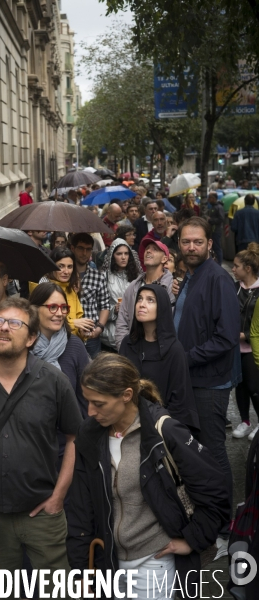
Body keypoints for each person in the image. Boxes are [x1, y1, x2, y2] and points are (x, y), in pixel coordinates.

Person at [0, 297, 82, 598]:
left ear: (31, 337)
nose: (3, 328)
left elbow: (75, 439)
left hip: (43, 513)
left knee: (56, 593)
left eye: (14, 323)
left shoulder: (54, 382)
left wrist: (58, 497)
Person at [66, 354, 229, 599]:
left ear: (126, 395)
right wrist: (81, 572)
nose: (90, 412)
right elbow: (80, 506)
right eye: (87, 401)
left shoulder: (164, 431)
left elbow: (217, 489)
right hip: (108, 563)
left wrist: (193, 538)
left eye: (98, 404)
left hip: (155, 562)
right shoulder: (89, 435)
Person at [172, 216, 240, 556]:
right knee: (199, 450)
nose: (192, 247)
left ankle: (226, 525)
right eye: (186, 242)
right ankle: (207, 513)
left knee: (214, 452)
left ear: (210, 244)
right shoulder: (191, 275)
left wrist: (184, 358)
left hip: (209, 384)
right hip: (191, 380)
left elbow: (227, 338)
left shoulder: (218, 279)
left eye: (198, 242)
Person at [119, 285, 199, 433]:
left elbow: (179, 400)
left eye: (150, 300)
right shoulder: (128, 343)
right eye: (140, 299)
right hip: (127, 425)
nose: (142, 304)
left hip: (159, 427)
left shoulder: (174, 349)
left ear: (161, 308)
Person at [29, 282, 90, 420]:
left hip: (68, 434)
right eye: (53, 307)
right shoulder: (24, 345)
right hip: (30, 433)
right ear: (35, 308)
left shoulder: (74, 345)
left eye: (64, 308)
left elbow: (85, 397)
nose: (59, 313)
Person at [115, 239, 174, 349]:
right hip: (133, 350)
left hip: (160, 352)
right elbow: (122, 319)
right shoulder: (133, 286)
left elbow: (172, 323)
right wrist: (124, 349)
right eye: (147, 249)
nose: (149, 251)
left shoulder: (172, 287)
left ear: (164, 258)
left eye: (155, 249)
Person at [29, 247, 94, 338]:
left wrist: (82, 332)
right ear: (51, 266)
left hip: (72, 344)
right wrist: (73, 323)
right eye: (61, 266)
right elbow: (39, 321)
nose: (66, 271)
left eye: (70, 267)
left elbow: (78, 320)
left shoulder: (72, 288)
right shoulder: (42, 287)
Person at [231, 247, 259, 441]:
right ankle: (245, 422)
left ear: (248, 268)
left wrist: (246, 335)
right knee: (239, 386)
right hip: (235, 347)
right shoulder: (234, 287)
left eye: (236, 266)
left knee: (254, 387)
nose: (233, 269)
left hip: (252, 347)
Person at [70, 233, 111, 358]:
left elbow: (105, 304)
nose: (84, 253)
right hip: (69, 331)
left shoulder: (97, 276)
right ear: (73, 248)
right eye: (81, 248)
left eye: (88, 249)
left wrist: (99, 328)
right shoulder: (65, 274)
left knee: (93, 371)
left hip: (90, 333)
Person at [99, 239, 139, 350]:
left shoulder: (136, 276)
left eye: (126, 253)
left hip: (132, 333)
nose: (123, 257)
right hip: (110, 335)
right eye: (119, 254)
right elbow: (98, 307)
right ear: (112, 255)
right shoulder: (104, 277)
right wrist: (114, 310)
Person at [207, 191, 225, 265]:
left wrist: (210, 220)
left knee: (217, 248)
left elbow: (221, 219)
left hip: (216, 230)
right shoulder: (213, 207)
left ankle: (219, 263)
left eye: (210, 198)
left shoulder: (218, 207)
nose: (208, 199)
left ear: (213, 198)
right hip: (213, 230)